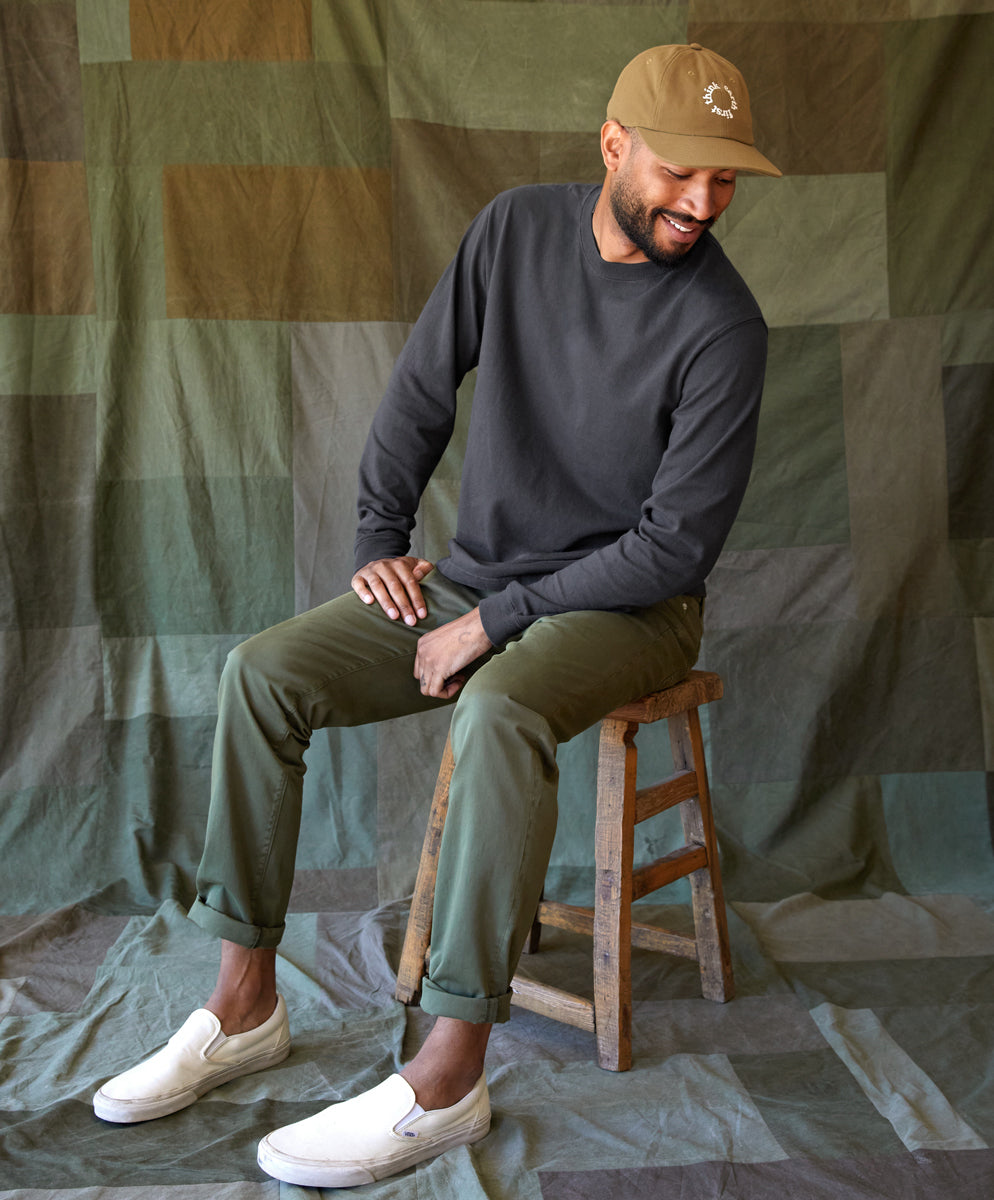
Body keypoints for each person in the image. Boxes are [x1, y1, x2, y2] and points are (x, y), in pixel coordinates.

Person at [92, 43, 780, 1188]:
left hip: (638, 607)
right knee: (264, 674)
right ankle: (244, 1004)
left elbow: (673, 547)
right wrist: (379, 544)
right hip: (480, 581)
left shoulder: (724, 325)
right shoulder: (513, 230)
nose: (704, 203)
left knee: (499, 706)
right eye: (681, 172)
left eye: (726, 180)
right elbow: (419, 392)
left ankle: (449, 1074)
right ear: (614, 146)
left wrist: (499, 622)